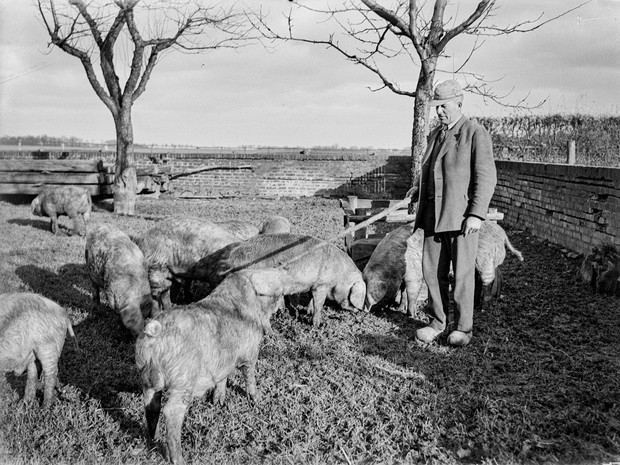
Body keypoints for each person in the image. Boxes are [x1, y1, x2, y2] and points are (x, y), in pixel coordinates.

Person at [410, 79, 497, 347]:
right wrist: (418, 188)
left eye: (444, 106)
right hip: (433, 215)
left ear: (459, 103)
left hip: (460, 217)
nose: (439, 112)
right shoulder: (436, 135)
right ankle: (437, 322)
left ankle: (463, 328)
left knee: (462, 274)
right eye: (437, 107)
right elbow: (432, 171)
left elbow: (486, 176)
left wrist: (476, 214)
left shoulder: (474, 133)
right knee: (432, 272)